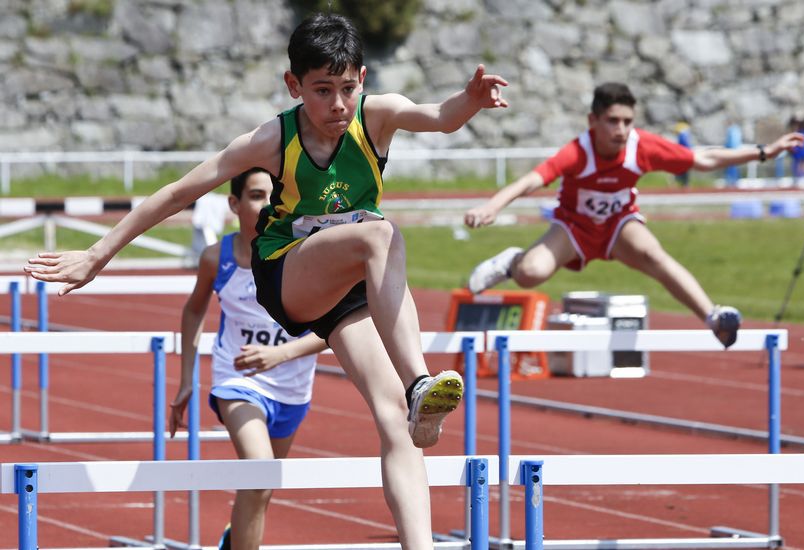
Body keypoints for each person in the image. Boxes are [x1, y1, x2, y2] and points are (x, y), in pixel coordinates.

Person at [25, 13, 508, 550]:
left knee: (395, 417)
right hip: (287, 274)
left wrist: (469, 101)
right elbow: (179, 192)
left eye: (347, 89)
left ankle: (419, 525)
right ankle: (420, 382)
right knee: (379, 233)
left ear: (363, 80)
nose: (338, 105)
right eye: (322, 91)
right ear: (293, 85)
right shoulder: (273, 139)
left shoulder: (378, 116)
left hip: (347, 285)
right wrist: (97, 255)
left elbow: (439, 117)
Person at [463, 82, 804, 348]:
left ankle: (713, 317)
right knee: (530, 273)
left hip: (618, 226)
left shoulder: (642, 147)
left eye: (628, 122)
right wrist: (491, 207)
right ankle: (512, 262)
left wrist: (765, 152)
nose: (622, 130)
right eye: (613, 121)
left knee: (653, 254)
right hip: (574, 228)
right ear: (593, 122)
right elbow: (531, 180)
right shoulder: (578, 152)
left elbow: (703, 159)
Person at [171, 167, 329, 550]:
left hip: (292, 387)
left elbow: (333, 329)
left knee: (263, 486)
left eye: (275, 195)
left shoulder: (306, 253)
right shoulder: (217, 258)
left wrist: (280, 353)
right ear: (234, 204)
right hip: (237, 380)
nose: (268, 205)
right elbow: (194, 310)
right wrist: (187, 378)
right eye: (257, 196)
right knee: (259, 472)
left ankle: (234, 539)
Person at [674, 122, 692, 188]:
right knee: (684, 169)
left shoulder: (682, 135)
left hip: (683, 154)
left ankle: (683, 183)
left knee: (683, 169)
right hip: (685, 153)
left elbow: (683, 144)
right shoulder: (685, 134)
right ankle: (684, 183)